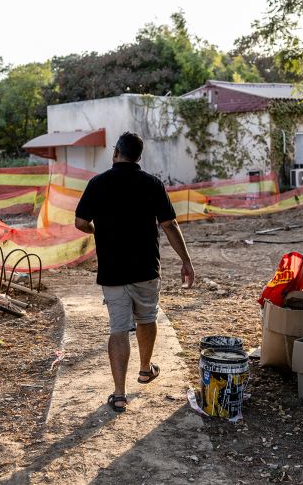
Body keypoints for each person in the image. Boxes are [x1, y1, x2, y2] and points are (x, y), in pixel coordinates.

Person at [74, 132, 195, 413]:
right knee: (147, 318)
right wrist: (186, 260)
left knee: (118, 329)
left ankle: (119, 394)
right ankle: (144, 369)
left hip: (112, 271)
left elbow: (80, 221)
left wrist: (96, 230)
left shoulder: (98, 183)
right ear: (139, 157)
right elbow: (169, 225)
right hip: (146, 268)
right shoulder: (152, 184)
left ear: (116, 152)